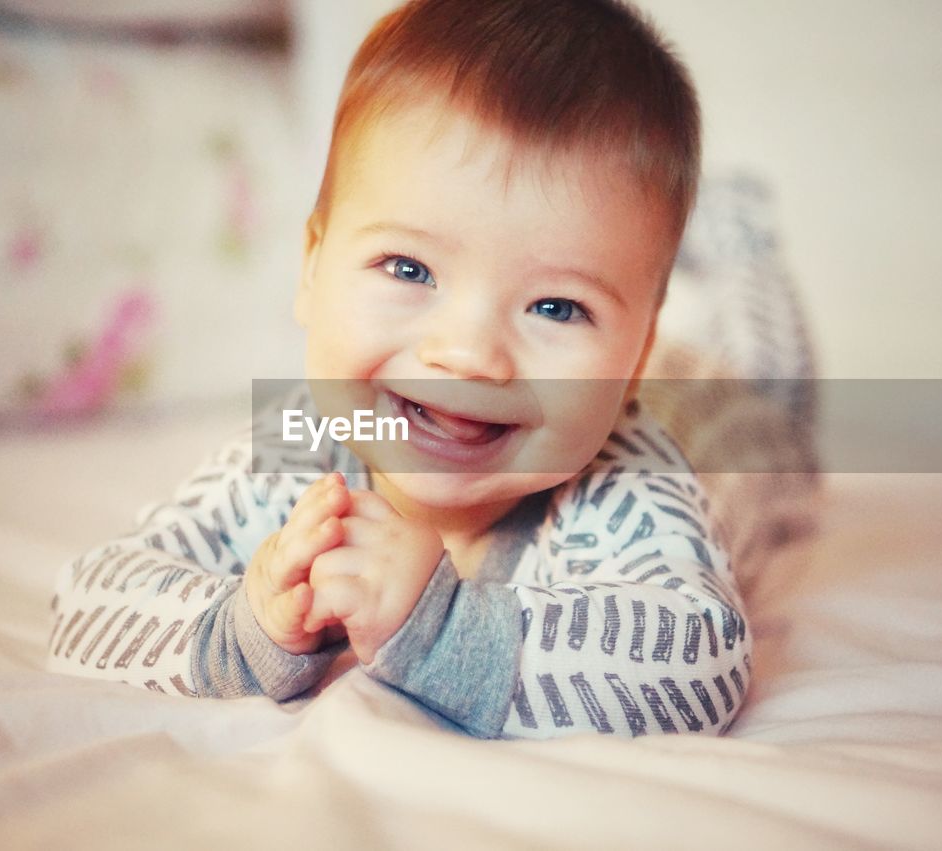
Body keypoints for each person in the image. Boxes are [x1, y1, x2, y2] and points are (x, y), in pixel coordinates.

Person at [47, 0, 750, 739]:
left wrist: (444, 631)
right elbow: (86, 603)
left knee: (755, 398)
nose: (469, 354)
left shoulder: (627, 486)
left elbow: (704, 663)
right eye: (409, 267)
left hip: (730, 444)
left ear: (633, 357)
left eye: (556, 308)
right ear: (312, 268)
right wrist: (242, 628)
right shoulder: (299, 454)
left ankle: (743, 259)